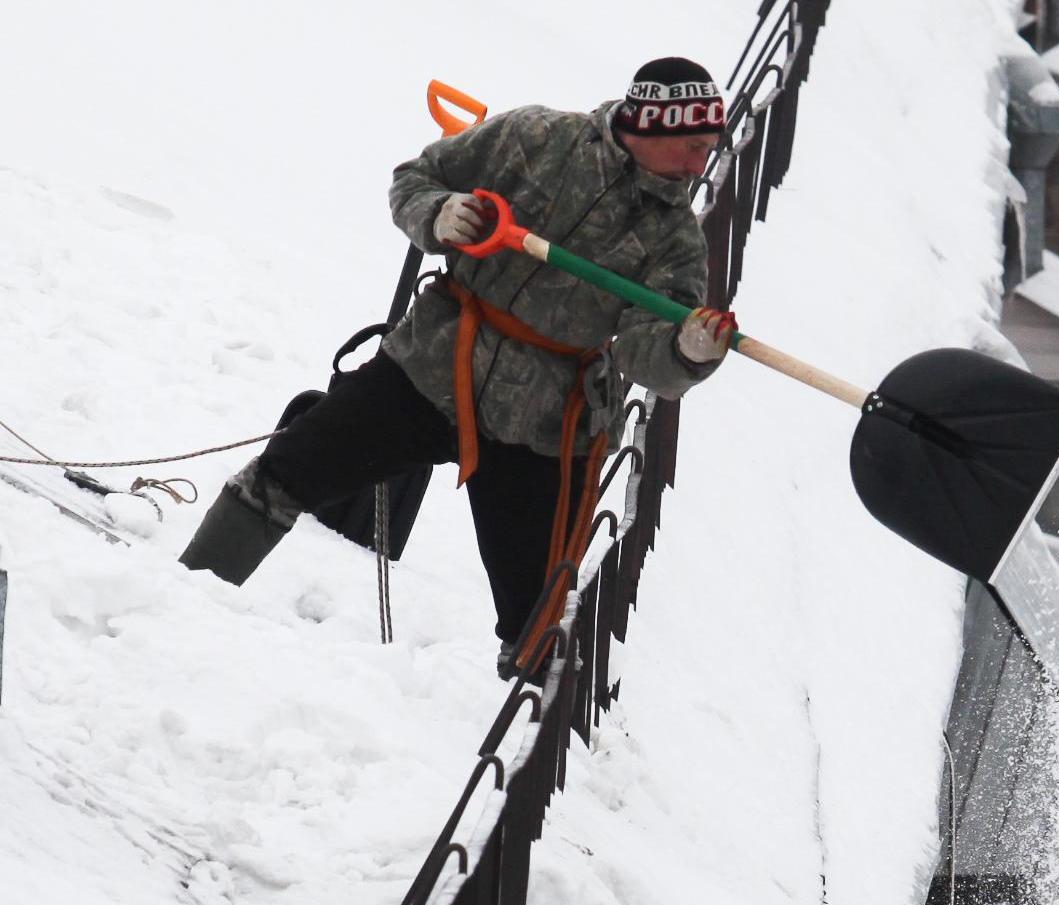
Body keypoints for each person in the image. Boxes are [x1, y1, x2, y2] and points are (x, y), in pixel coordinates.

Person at [177, 57, 740, 659]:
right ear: (651, 125)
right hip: (432, 366)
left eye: (708, 151)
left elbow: (646, 354)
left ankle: (531, 705)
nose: (699, 165)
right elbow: (417, 179)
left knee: (538, 614)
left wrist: (686, 351)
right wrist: (439, 214)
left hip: (545, 424)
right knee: (285, 472)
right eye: (693, 147)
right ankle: (177, 603)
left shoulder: (676, 239)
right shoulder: (537, 137)